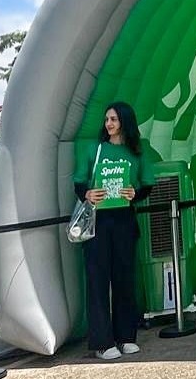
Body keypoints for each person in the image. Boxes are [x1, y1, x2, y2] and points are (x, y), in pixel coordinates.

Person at [73, 101, 155, 361]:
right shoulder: (93, 149)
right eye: (107, 119)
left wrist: (135, 194)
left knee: (124, 279)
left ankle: (126, 336)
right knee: (98, 281)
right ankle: (102, 341)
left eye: (115, 120)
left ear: (125, 123)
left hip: (123, 221)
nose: (109, 124)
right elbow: (78, 182)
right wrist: (87, 193)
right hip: (98, 221)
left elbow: (146, 184)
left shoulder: (137, 152)